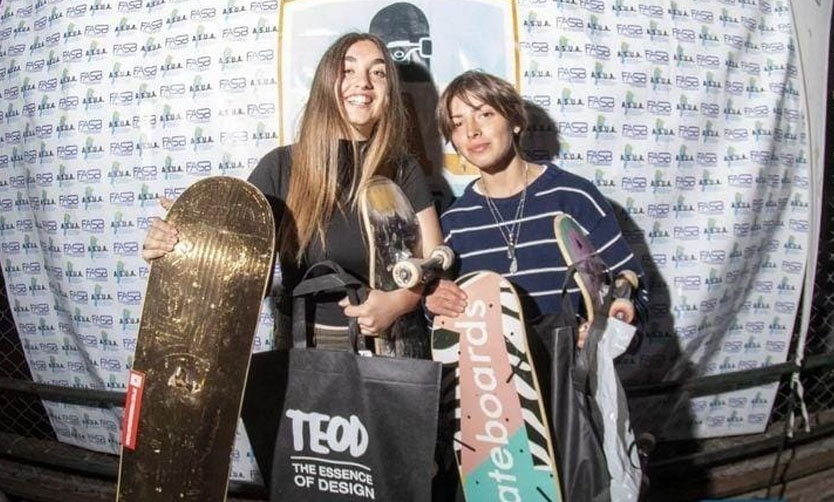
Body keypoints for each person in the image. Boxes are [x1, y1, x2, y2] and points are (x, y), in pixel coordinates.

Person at [141, 32, 443, 349]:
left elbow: (435, 261)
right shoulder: (281, 167)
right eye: (348, 70)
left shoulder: (403, 169)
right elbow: (232, 263)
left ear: (389, 92)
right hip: (302, 359)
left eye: (378, 72)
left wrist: (399, 303)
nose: (363, 82)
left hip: (389, 357)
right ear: (327, 84)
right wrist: (181, 247)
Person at [425, 70, 647, 339]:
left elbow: (633, 290)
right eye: (458, 123)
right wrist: (433, 305)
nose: (472, 131)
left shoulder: (573, 197)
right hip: (494, 379)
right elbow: (443, 331)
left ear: (515, 122)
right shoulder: (453, 223)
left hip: (572, 375)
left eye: (485, 114)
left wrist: (606, 332)